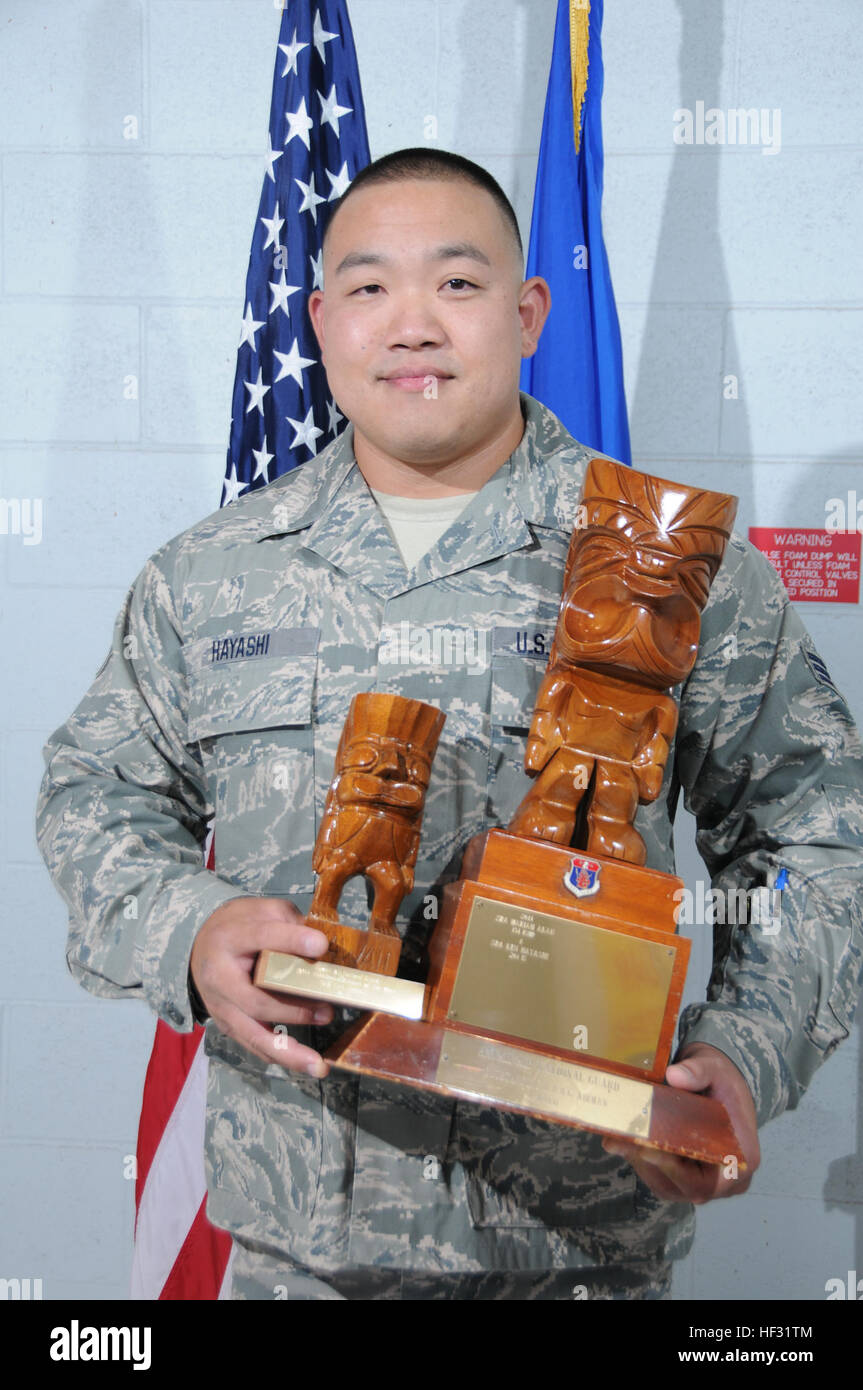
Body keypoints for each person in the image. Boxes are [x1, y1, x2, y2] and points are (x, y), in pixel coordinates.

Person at [36, 149, 863, 1301]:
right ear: (318, 322)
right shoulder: (209, 577)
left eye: (457, 285)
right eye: (369, 288)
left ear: (528, 315)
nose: (411, 324)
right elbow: (93, 795)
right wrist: (189, 927)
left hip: (578, 1251)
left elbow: (820, 836)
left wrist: (741, 1048)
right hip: (295, 1252)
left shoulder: (668, 571)